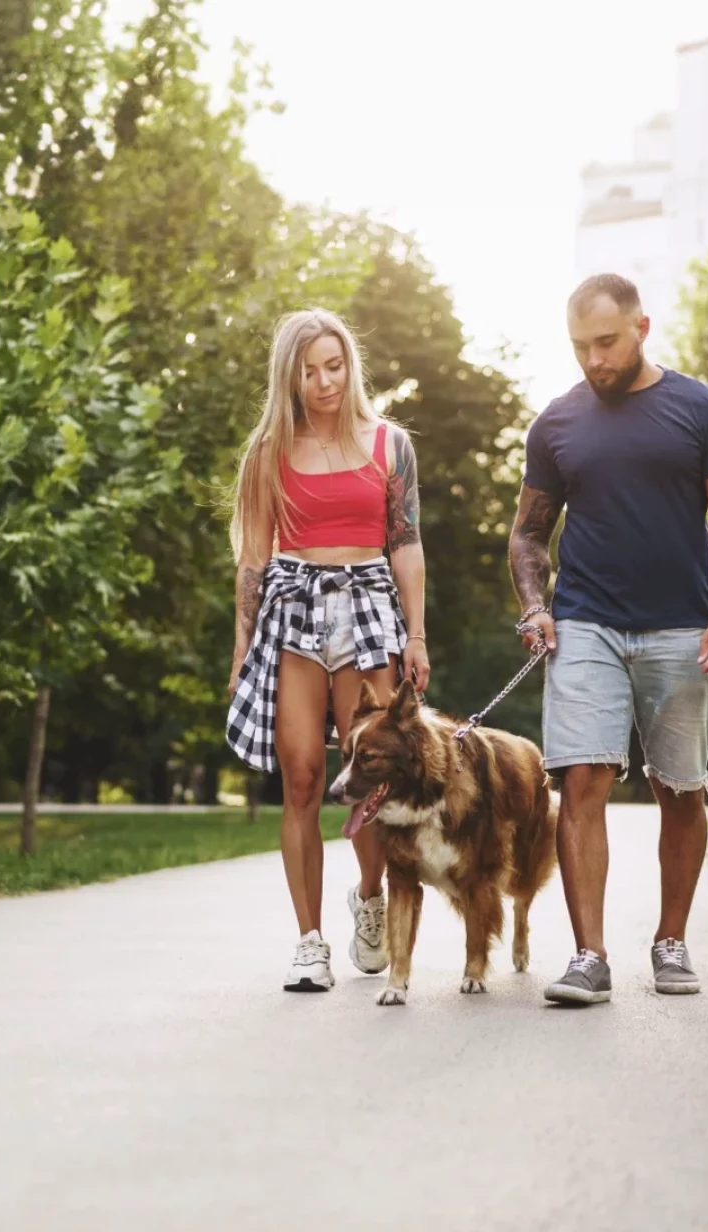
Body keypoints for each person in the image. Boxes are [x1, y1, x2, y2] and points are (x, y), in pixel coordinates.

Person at [508, 273, 708, 1006]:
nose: (594, 359)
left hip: (683, 628)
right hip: (585, 621)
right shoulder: (556, 424)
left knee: (678, 788)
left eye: (607, 342)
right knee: (581, 779)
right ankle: (589, 956)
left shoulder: (703, 411)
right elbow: (528, 531)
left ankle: (671, 939)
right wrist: (534, 605)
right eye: (581, 346)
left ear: (642, 327)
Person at [226, 308, 430, 992]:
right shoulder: (268, 453)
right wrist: (240, 650)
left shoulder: (390, 443)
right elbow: (253, 559)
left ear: (351, 365)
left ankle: (369, 900)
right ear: (290, 375)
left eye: (334, 367)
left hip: (369, 604)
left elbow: (404, 543)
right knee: (305, 776)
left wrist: (416, 635)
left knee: (368, 775)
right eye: (309, 371)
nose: (324, 382)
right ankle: (308, 941)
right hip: (294, 610)